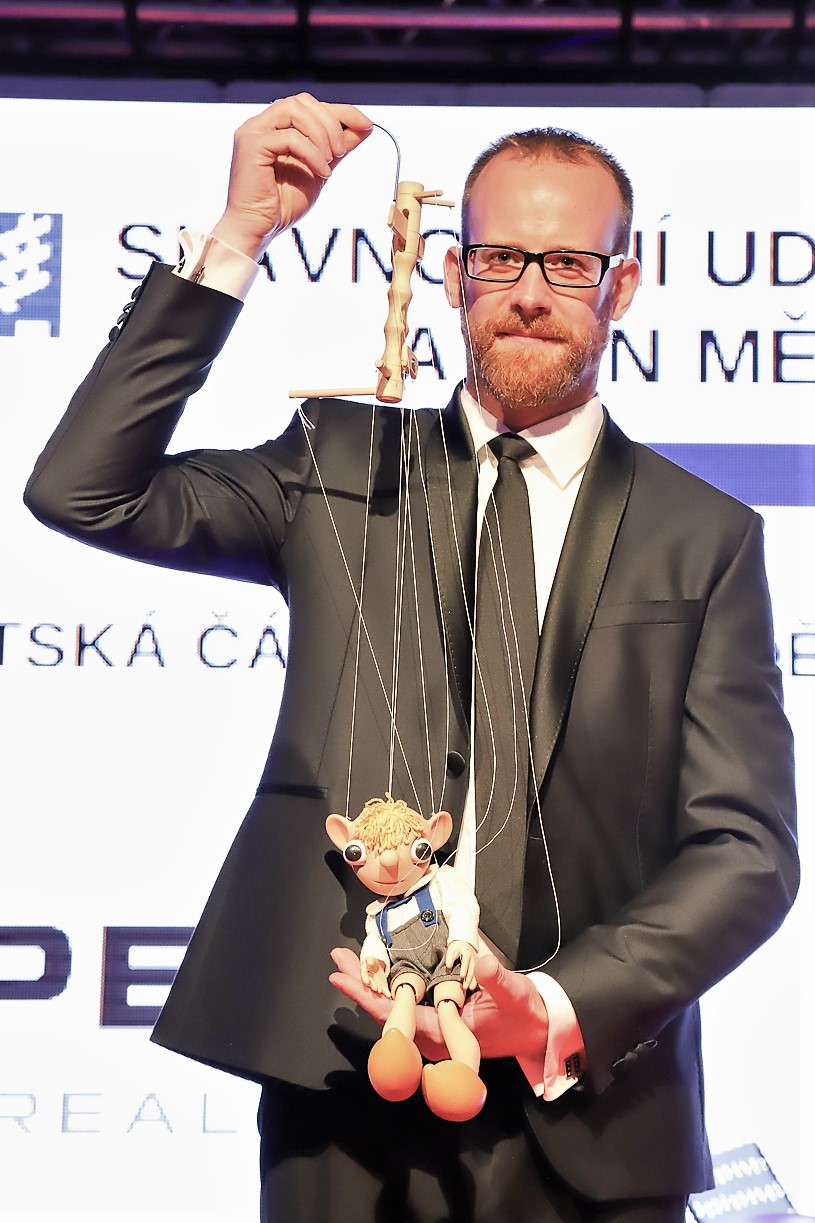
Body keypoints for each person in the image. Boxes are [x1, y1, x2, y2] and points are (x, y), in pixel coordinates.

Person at [24, 94, 798, 1223]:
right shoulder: (335, 462)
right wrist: (237, 237)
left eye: (568, 262)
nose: (528, 290)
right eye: (498, 257)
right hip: (344, 1084)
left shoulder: (705, 535)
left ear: (622, 286)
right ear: (449, 273)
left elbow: (744, 848)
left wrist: (551, 1002)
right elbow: (84, 491)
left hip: (590, 1109)